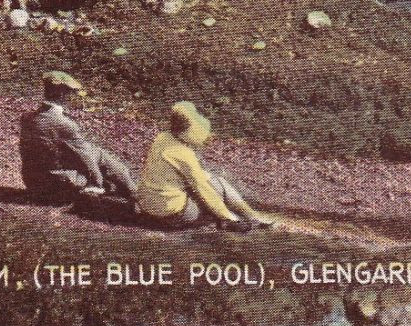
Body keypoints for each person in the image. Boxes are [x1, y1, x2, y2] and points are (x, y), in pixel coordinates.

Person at [136, 101, 273, 232]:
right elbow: (203, 188)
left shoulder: (162, 138)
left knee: (209, 181)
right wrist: (228, 217)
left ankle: (240, 214)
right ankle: (246, 216)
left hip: (148, 206)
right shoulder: (184, 154)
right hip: (172, 216)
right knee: (218, 184)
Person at [18, 71, 136, 203]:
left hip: (32, 182)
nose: (73, 97)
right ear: (63, 94)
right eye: (71, 93)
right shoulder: (64, 124)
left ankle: (125, 188)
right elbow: (86, 158)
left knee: (86, 151)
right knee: (98, 154)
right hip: (55, 187)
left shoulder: (27, 118)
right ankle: (133, 192)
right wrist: (97, 183)